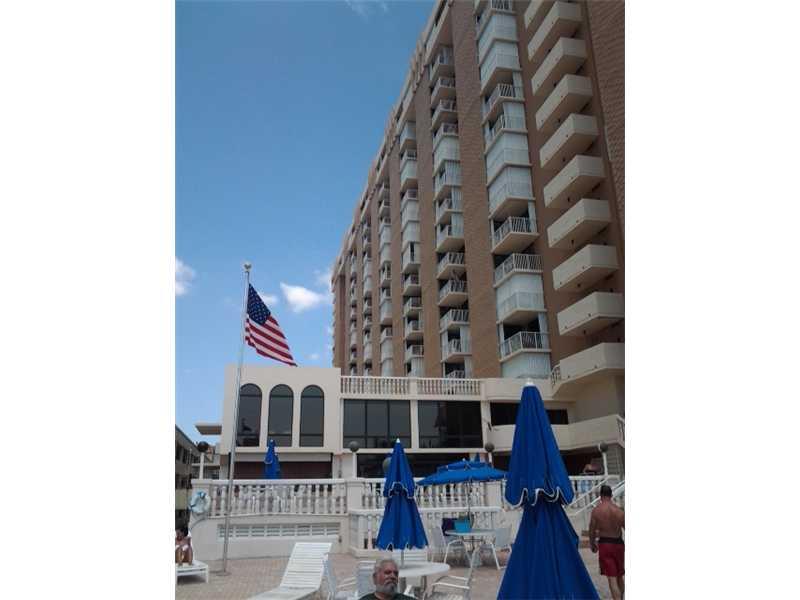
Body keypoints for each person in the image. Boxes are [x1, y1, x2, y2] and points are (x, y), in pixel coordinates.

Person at [588, 485, 625, 600]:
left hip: (605, 544)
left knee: (612, 579)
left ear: (600, 496)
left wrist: (592, 543)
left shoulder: (596, 511)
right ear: (611, 495)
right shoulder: (619, 511)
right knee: (619, 575)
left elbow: (591, 530)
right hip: (618, 544)